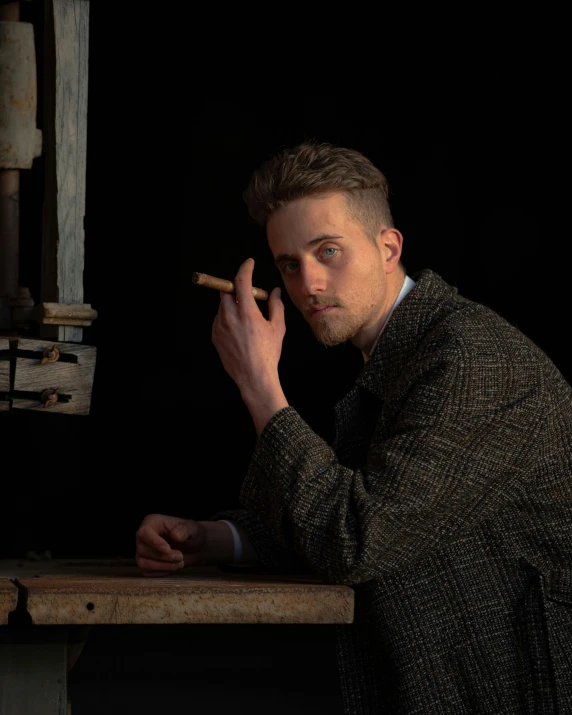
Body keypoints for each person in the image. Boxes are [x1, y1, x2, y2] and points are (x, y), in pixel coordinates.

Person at [136, 141, 572, 714]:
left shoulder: (470, 359)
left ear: (388, 247)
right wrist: (223, 541)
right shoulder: (405, 352)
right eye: (290, 264)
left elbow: (356, 540)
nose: (308, 283)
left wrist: (260, 385)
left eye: (329, 251)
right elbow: (370, 505)